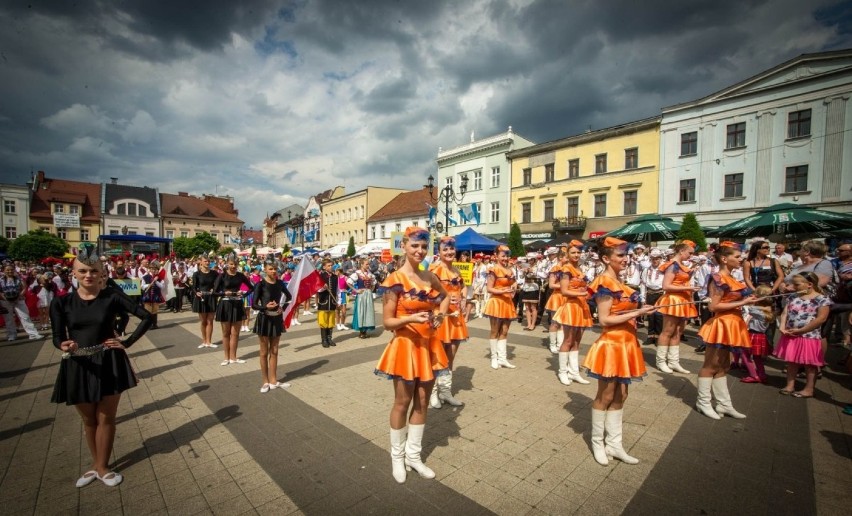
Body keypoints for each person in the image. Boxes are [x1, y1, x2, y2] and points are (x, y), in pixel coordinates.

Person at [51, 244, 152, 487]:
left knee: (106, 416)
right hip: (79, 364)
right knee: (88, 420)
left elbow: (147, 316)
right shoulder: (61, 303)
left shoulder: (112, 296)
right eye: (83, 271)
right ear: (73, 273)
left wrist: (126, 342)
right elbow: (57, 336)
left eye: (94, 271)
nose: (89, 275)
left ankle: (102, 467)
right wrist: (62, 345)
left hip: (109, 360)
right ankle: (95, 464)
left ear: (102, 273)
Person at [374, 227, 450, 484]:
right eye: (415, 246)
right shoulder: (394, 279)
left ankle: (413, 456)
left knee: (422, 400)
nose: (419, 251)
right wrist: (412, 317)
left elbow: (445, 297)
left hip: (428, 346)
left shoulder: (430, 276)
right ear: (404, 246)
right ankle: (397, 457)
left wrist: (439, 314)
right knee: (402, 402)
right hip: (405, 346)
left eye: (423, 247)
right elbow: (387, 322)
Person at [582, 237, 656, 466]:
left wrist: (642, 310)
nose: (626, 259)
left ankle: (614, 444)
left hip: (627, 344)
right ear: (606, 258)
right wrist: (636, 313)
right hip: (612, 345)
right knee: (605, 395)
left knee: (621, 395)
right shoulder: (604, 282)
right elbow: (604, 319)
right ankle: (598, 443)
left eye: (627, 255)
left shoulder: (620, 281)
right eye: (621, 256)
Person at [694, 242, 757, 419]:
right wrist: (742, 302)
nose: (741, 259)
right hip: (722, 325)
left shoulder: (732, 277)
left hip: (733, 324)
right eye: (736, 257)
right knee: (710, 366)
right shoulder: (718, 278)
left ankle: (724, 404)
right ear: (724, 258)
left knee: (724, 365)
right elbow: (714, 306)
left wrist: (749, 299)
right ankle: (703, 402)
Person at [776, 272, 831, 398]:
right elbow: (785, 312)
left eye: (797, 284)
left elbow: (821, 319)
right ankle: (790, 385)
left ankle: (809, 389)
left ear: (809, 284)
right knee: (791, 362)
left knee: (810, 364)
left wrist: (802, 330)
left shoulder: (822, 299)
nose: (793, 287)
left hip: (809, 336)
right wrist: (782, 326)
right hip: (791, 334)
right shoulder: (793, 296)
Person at [428, 236, 468, 409]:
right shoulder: (434, 270)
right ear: (439, 251)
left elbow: (463, 286)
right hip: (440, 317)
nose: (450, 252)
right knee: (437, 354)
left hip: (456, 318)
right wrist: (442, 298)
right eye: (445, 249)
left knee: (450, 355)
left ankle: (446, 391)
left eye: (452, 249)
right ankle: (432, 392)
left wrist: (464, 297)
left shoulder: (457, 271)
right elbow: (426, 294)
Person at [655, 241, 699, 374]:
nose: (691, 256)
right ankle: (661, 361)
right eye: (689, 253)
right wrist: (688, 287)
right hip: (673, 300)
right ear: (681, 251)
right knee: (667, 331)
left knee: (678, 331)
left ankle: (673, 361)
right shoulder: (673, 265)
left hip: (683, 300)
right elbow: (666, 286)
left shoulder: (681, 265)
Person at [553, 240, 592, 385]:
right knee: (568, 340)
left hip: (582, 307)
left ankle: (574, 372)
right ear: (567, 254)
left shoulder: (580, 269)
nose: (576, 255)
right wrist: (581, 294)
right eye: (573, 252)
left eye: (578, 252)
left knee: (577, 341)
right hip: (571, 307)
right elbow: (564, 291)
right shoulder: (566, 269)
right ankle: (562, 371)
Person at [252, 260, 292, 392]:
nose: (273, 271)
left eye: (275, 269)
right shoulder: (260, 284)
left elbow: (289, 296)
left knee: (274, 351)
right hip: (264, 319)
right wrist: (264, 307)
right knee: (264, 352)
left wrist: (283, 307)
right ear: (265, 269)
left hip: (276, 319)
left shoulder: (280, 283)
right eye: (270, 269)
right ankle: (265, 381)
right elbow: (254, 304)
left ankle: (273, 380)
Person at [213, 256, 254, 365]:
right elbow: (215, 292)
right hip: (225, 304)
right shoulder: (222, 276)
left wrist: (244, 294)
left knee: (235, 334)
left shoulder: (240, 276)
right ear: (227, 264)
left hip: (237, 304)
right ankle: (226, 358)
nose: (233, 266)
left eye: (235, 264)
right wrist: (224, 293)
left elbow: (251, 287)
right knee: (226, 333)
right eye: (231, 264)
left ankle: (233, 357)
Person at [482, 245, 518, 369]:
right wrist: (503, 291)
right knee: (494, 331)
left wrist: (514, 286)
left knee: (505, 331)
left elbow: (513, 283)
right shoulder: (493, 270)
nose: (505, 258)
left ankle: (502, 358)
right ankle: (494, 358)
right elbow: (489, 288)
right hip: (496, 302)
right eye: (503, 256)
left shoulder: (510, 271)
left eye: (507, 255)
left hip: (507, 302)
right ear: (496, 256)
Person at [740, 285, 775, 383]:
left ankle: (754, 375)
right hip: (760, 336)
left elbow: (750, 309)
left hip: (754, 335)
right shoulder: (766, 311)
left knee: (744, 354)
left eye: (755, 294)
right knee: (757, 357)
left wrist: (753, 301)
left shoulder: (759, 312)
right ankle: (762, 374)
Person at [1, 262, 43, 341]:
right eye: (7, 270)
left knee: (25, 316)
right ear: (4, 270)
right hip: (5, 300)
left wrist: (20, 295)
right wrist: (4, 297)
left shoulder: (19, 278)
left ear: (14, 270)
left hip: (18, 299)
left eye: (11, 270)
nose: (9, 271)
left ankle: (33, 334)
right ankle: (11, 335)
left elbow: (24, 287)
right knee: (8, 318)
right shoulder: (1, 279)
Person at [191, 255, 219, 349]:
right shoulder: (196, 274)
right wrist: (196, 293)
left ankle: (209, 341)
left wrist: (214, 289)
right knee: (203, 321)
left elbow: (218, 284)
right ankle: (204, 341)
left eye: (208, 261)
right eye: (205, 261)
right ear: (201, 262)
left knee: (210, 321)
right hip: (201, 298)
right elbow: (194, 287)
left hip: (211, 298)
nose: (207, 263)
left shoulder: (214, 273)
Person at [545, 249, 569, 353]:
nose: (568, 259)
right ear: (560, 257)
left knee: (563, 322)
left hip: (565, 297)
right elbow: (551, 285)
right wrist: (563, 285)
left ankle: (560, 344)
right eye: (567, 257)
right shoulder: (555, 268)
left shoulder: (567, 269)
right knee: (555, 322)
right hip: (557, 297)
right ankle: (552, 344)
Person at [639, 249, 665, 345]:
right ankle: (650, 336)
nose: (655, 261)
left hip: (660, 294)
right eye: (653, 259)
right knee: (650, 315)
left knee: (659, 316)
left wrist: (665, 295)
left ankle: (658, 337)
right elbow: (643, 284)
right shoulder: (646, 270)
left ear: (660, 259)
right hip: (650, 293)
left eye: (657, 259)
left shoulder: (664, 269)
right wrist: (642, 297)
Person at [348, 258, 377, 339]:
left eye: (368, 264)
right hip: (361, 295)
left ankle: (365, 331)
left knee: (368, 311)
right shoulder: (357, 273)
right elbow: (348, 282)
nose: (368, 265)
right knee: (361, 311)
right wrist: (355, 290)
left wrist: (371, 289)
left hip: (368, 294)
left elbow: (374, 282)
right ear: (361, 264)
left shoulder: (370, 273)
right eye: (366, 264)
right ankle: (361, 331)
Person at [316, 258, 339, 348]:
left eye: (331, 265)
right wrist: (323, 287)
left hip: (332, 302)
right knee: (323, 321)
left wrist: (338, 300)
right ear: (324, 267)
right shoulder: (320, 276)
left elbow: (337, 290)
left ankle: (329, 338)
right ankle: (324, 339)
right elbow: (317, 289)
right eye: (328, 266)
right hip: (323, 302)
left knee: (331, 321)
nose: (331, 267)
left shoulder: (334, 276)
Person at [140, 260, 166, 329]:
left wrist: (156, 281)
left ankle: (154, 324)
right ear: (149, 269)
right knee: (148, 312)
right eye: (151, 269)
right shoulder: (145, 277)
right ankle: (148, 324)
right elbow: (142, 286)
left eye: (155, 269)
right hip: (148, 296)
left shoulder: (160, 278)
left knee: (154, 311)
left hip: (156, 296)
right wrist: (148, 285)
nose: (153, 270)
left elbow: (162, 287)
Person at [335, 265, 350, 330]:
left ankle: (343, 324)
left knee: (344, 311)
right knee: (337, 310)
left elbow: (351, 285)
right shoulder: (335, 278)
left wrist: (347, 290)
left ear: (339, 271)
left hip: (343, 294)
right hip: (337, 295)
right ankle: (338, 324)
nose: (335, 272)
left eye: (336, 271)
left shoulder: (345, 277)